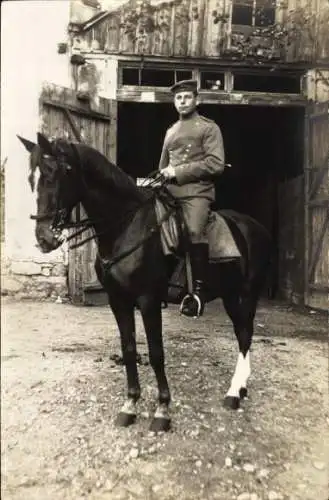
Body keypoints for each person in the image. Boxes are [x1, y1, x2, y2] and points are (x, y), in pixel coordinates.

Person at [158, 79, 225, 317]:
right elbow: (163, 166)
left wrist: (178, 172)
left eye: (187, 97)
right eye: (178, 98)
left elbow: (215, 164)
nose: (182, 101)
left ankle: (198, 293)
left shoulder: (208, 128)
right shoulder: (171, 131)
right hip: (170, 191)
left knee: (195, 230)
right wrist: (160, 178)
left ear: (197, 100)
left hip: (196, 191)